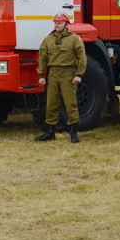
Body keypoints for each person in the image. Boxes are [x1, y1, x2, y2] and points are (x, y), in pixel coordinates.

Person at [36, 11, 87, 143]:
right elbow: (42, 58)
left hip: (68, 74)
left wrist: (78, 75)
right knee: (51, 103)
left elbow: (82, 58)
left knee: (71, 103)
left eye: (60, 23)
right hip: (53, 74)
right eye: (56, 23)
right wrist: (41, 75)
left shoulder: (74, 39)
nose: (57, 25)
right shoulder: (48, 40)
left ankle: (74, 132)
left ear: (66, 24)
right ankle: (50, 131)